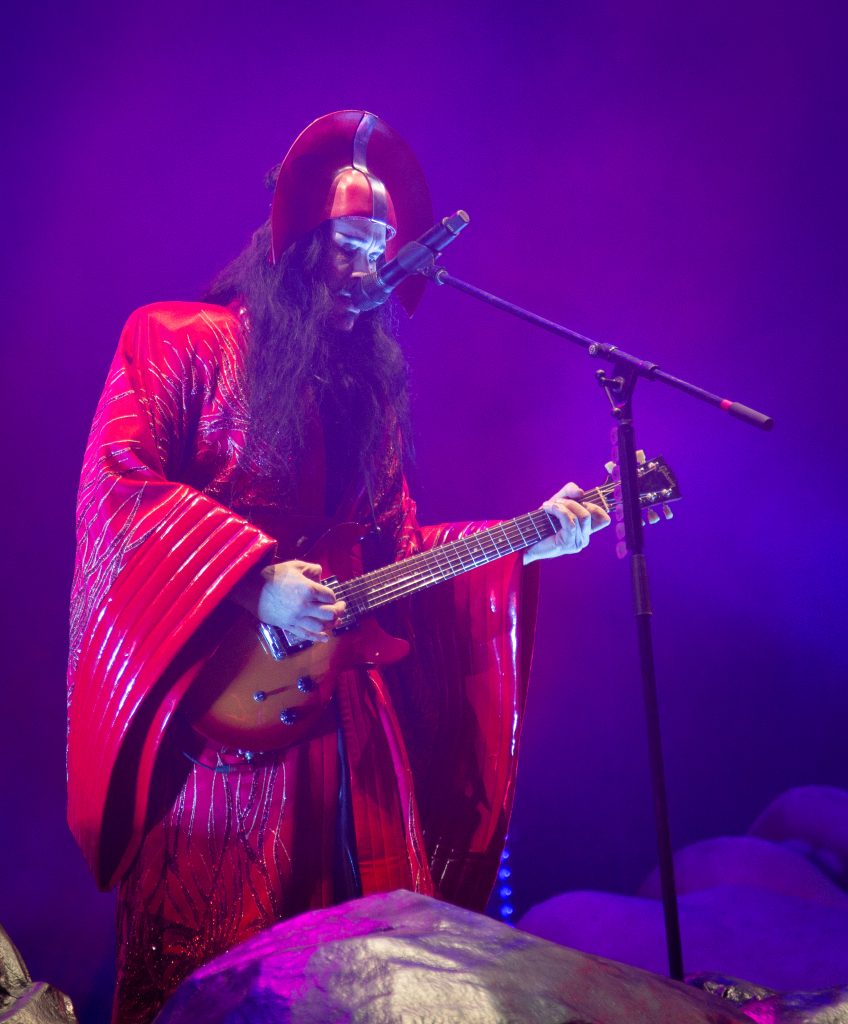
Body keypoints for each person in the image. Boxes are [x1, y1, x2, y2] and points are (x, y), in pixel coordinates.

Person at [67, 110, 609, 1024]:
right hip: (225, 707)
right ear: (296, 241)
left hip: (351, 714)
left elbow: (396, 556)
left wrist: (527, 535)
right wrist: (250, 575)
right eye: (349, 243)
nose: (368, 269)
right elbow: (119, 487)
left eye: (381, 248)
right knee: (227, 960)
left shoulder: (368, 396)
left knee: (374, 961)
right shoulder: (177, 340)